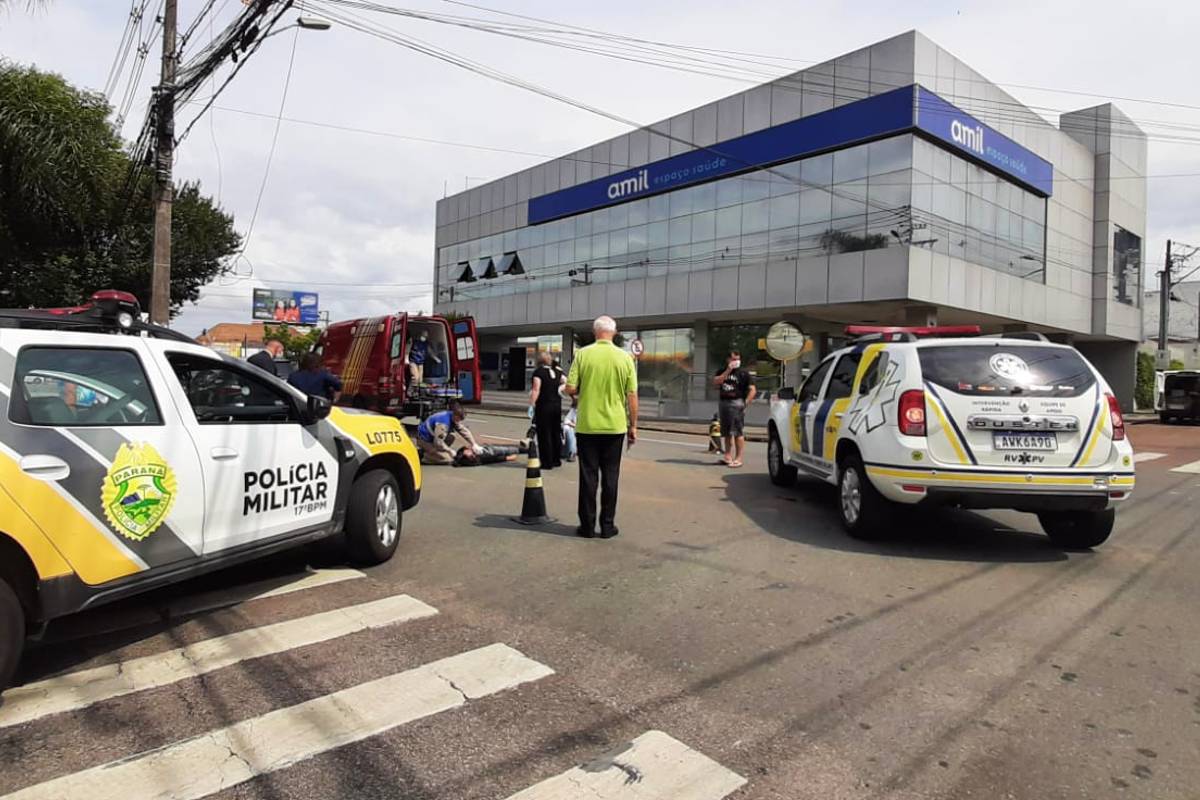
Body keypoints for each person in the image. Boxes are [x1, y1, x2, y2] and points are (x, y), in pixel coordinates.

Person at [565, 315, 638, 539]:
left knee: (588, 477)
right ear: (614, 333)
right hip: (615, 428)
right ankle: (607, 526)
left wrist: (581, 393)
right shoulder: (625, 358)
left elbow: (569, 387)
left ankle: (586, 527)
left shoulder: (583, 355)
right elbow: (632, 396)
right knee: (611, 477)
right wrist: (633, 426)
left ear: (595, 332)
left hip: (587, 426)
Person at [713, 349, 756, 468]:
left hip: (737, 403)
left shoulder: (743, 373)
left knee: (737, 431)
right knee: (726, 432)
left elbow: (752, 389)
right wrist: (728, 370)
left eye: (738, 359)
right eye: (734, 359)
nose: (736, 361)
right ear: (728, 360)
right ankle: (727, 456)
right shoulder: (722, 371)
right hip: (724, 402)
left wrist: (745, 403)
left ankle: (738, 458)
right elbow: (716, 382)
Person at [528, 352, 564, 469]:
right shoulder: (558, 371)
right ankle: (556, 460)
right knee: (555, 433)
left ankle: (546, 462)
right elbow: (568, 382)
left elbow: (536, 389)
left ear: (539, 361)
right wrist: (560, 390)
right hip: (557, 406)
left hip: (544, 406)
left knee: (544, 434)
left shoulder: (538, 372)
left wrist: (531, 405)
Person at [415, 402, 480, 465]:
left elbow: (463, 430)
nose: (459, 422)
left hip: (432, 438)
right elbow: (438, 442)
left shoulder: (452, 415)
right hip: (424, 441)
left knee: (451, 436)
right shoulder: (443, 423)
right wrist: (449, 450)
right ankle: (423, 456)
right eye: (459, 420)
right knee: (447, 459)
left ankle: (436, 452)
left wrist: (473, 444)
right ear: (455, 416)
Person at [452, 442, 526, 467]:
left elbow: (461, 452)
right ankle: (526, 450)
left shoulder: (461, 455)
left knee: (506, 450)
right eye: (471, 454)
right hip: (490, 453)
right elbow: (493, 459)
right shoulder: (481, 457)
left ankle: (524, 450)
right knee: (506, 450)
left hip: (486, 451)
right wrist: (507, 458)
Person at [562, 395, 578, 462]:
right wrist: (573, 425)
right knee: (567, 428)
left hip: (584, 433)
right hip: (575, 431)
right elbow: (566, 420)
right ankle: (571, 452)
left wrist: (573, 425)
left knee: (569, 429)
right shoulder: (574, 410)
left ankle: (572, 452)